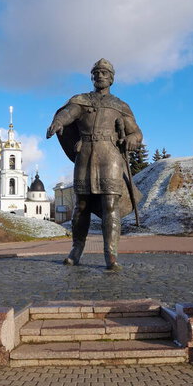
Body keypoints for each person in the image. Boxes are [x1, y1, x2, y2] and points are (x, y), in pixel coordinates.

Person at [47, 58, 142, 270]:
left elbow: (136, 133)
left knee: (110, 204)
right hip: (85, 155)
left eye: (104, 73)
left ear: (111, 78)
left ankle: (111, 254)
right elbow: (69, 112)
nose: (100, 75)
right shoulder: (81, 100)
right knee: (80, 206)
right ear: (92, 76)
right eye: (96, 72)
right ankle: (76, 249)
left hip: (110, 158)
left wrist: (130, 140)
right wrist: (59, 121)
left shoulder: (120, 106)